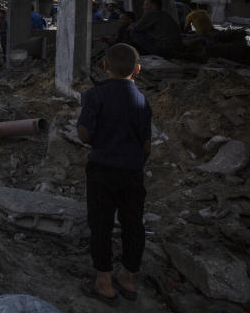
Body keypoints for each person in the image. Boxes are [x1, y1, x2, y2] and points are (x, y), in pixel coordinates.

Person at [77, 43, 151, 305]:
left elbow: (84, 132)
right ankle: (128, 277)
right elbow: (145, 143)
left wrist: (97, 142)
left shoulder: (95, 96)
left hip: (102, 170)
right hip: (132, 171)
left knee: (101, 225)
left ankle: (104, 282)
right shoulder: (142, 100)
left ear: (105, 66)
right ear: (138, 69)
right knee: (133, 224)